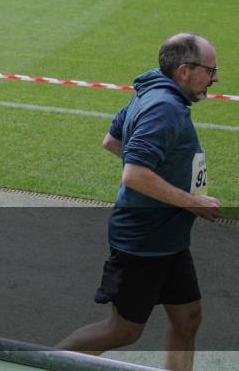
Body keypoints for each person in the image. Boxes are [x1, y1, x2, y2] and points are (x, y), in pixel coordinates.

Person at [57, 33, 222, 371]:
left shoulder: (152, 91)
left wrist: (162, 182)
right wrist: (190, 202)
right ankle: (41, 363)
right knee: (122, 330)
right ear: (184, 71)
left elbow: (111, 141)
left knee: (188, 317)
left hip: (168, 238)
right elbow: (134, 175)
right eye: (210, 70)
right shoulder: (164, 107)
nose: (215, 78)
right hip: (144, 241)